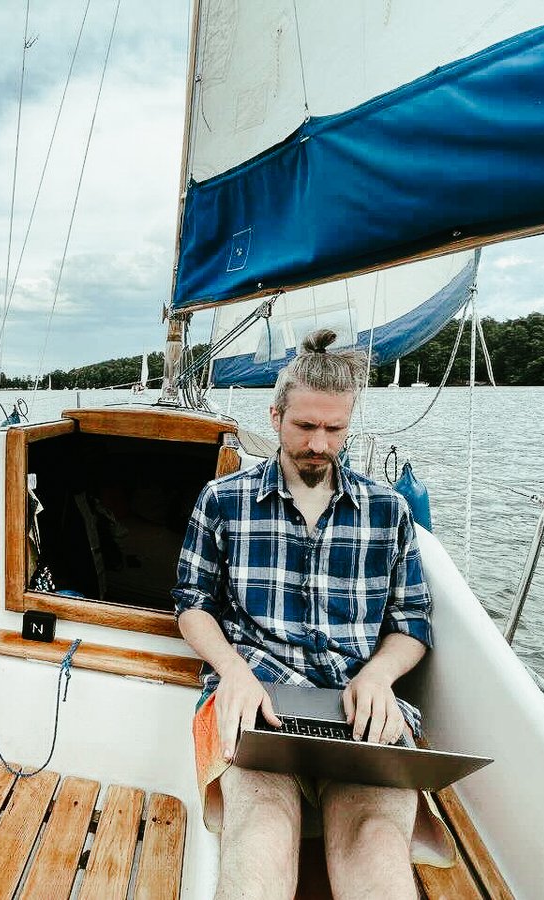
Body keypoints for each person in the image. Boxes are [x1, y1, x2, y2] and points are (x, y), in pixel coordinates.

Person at [173, 329, 435, 900]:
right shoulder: (222, 500)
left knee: (376, 842)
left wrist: (378, 676)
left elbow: (412, 624)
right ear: (275, 416)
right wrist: (234, 672)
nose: (319, 444)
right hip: (256, 697)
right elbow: (192, 606)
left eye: (334, 429)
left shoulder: (388, 511)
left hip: (361, 710)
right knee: (260, 833)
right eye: (305, 427)